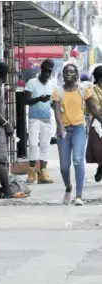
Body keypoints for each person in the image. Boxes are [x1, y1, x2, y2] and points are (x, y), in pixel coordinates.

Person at [53, 64, 102, 205]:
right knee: (64, 166)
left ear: (76, 75)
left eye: (71, 72)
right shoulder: (57, 91)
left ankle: (79, 196)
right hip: (64, 131)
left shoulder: (83, 90)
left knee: (78, 161)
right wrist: (60, 127)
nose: (68, 74)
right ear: (63, 75)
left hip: (79, 129)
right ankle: (68, 187)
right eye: (66, 72)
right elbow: (56, 111)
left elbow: (93, 108)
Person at [0, 62, 26, 199]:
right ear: (5, 75)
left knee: (1, 159)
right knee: (1, 160)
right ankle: (8, 191)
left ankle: (6, 188)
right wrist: (5, 123)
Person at [24, 60, 55, 184]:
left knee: (45, 145)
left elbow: (54, 103)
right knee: (32, 144)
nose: (47, 74)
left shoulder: (51, 85)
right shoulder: (32, 83)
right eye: (45, 71)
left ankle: (43, 172)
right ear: (41, 70)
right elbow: (26, 100)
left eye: (49, 71)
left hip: (46, 118)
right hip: (34, 119)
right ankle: (31, 171)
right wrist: (38, 99)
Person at [85, 66, 102, 183]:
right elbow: (92, 109)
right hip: (96, 121)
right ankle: (101, 165)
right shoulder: (91, 90)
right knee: (97, 148)